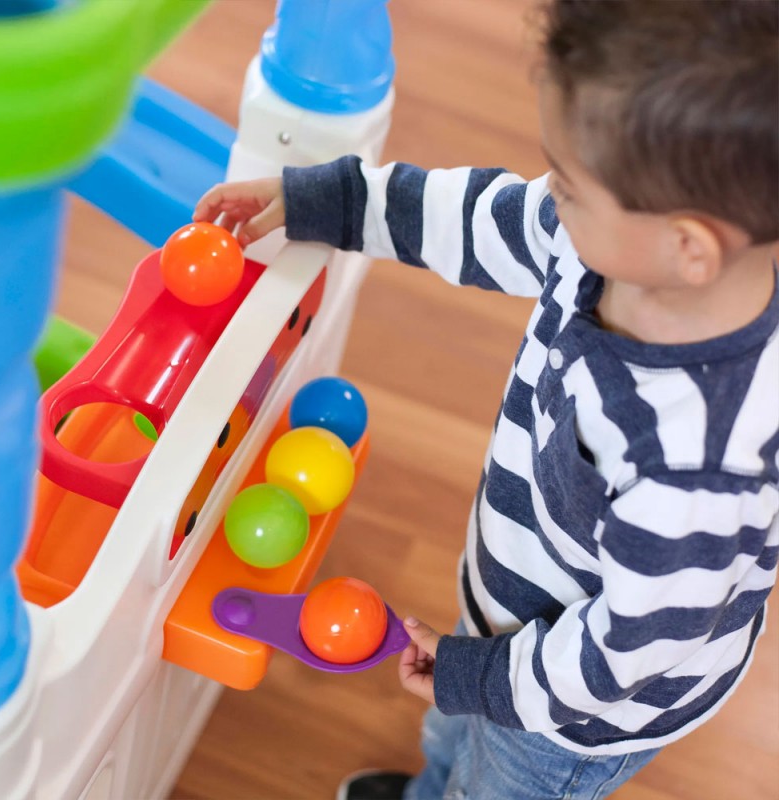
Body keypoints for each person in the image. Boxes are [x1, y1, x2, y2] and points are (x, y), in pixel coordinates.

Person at [194, 1, 779, 797]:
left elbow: (621, 660)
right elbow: (484, 217)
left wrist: (481, 678)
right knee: (454, 731)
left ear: (689, 246)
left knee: (492, 775)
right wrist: (333, 203)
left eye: (568, 187)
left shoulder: (697, 473)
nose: (551, 198)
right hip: (514, 606)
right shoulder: (611, 249)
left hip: (576, 715)